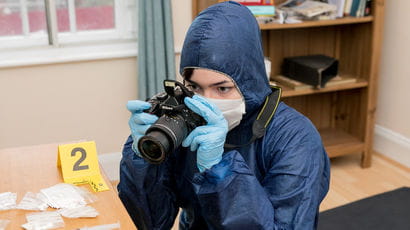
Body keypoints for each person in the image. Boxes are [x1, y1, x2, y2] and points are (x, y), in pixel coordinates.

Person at [118, 1, 330, 229]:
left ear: (250, 81)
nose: (207, 101)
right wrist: (143, 160)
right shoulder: (184, 123)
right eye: (195, 87)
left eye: (222, 89)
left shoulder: (295, 138)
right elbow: (150, 223)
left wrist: (219, 169)